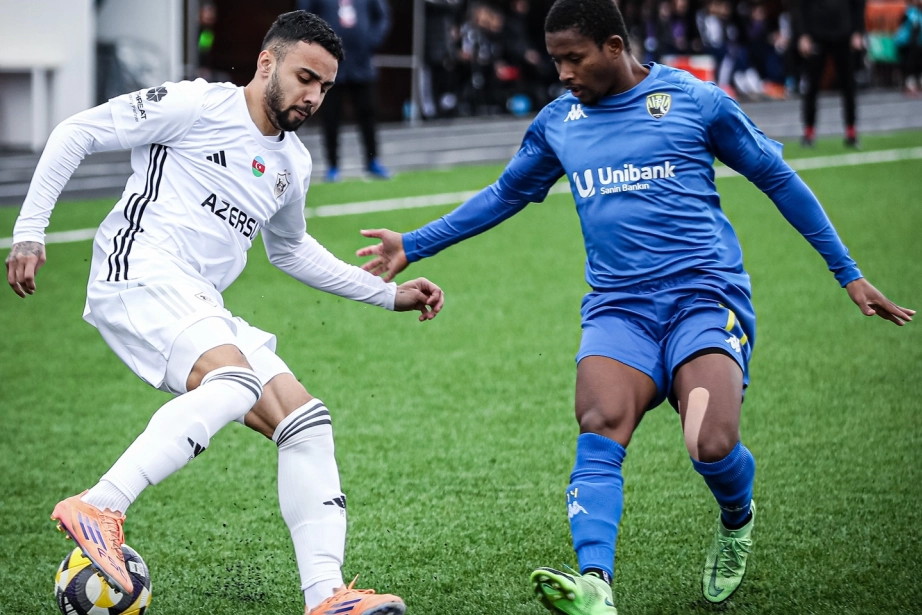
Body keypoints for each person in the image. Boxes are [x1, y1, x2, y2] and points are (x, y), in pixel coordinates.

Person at [355, 0, 914, 612]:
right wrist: (414, 243)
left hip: (704, 299)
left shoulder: (695, 101)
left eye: (574, 58)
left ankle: (737, 516)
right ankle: (596, 583)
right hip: (619, 310)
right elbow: (505, 194)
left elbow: (777, 178)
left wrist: (847, 273)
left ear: (615, 47)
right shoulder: (559, 122)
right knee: (599, 424)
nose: (563, 73)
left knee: (709, 443)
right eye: (556, 60)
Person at [5, 11, 443, 615]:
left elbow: (290, 250)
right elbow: (76, 131)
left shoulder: (292, 165)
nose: (313, 97)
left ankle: (326, 596)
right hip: (138, 270)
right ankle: (100, 504)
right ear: (267, 62)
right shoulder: (197, 105)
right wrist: (30, 231)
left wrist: (387, 294)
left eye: (324, 87)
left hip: (199, 300)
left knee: (306, 422)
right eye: (305, 78)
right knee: (235, 382)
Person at [298, 0, 391, 182]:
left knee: (367, 113)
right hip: (329, 64)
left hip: (362, 63)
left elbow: (383, 17)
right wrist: (319, 45)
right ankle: (332, 165)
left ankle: (372, 161)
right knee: (331, 116)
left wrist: (371, 40)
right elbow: (303, 17)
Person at [795, 0, 866, 147]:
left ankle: (851, 131)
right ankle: (809, 131)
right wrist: (803, 34)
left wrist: (858, 31)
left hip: (844, 32)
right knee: (812, 85)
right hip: (816, 33)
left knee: (848, 85)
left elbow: (858, 4)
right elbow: (801, 6)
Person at [895, 0, 922, 95]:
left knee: (916, 64)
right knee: (910, 64)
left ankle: (914, 83)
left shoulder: (915, 12)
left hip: (916, 44)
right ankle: (909, 84)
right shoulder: (911, 12)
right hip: (908, 44)